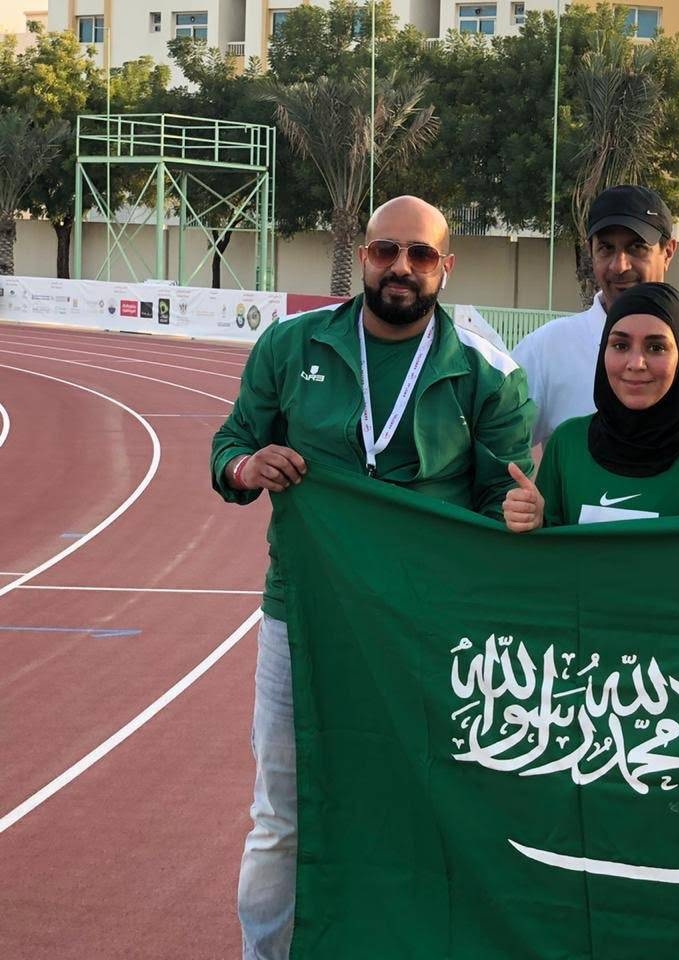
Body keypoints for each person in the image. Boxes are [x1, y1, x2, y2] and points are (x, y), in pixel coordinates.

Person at [209, 196, 534, 960]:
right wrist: (247, 466)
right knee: (282, 814)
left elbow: (500, 505)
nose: (401, 268)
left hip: (430, 629)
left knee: (424, 808)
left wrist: (521, 513)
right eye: (386, 250)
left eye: (421, 256)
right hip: (306, 615)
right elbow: (230, 445)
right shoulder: (291, 346)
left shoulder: (488, 377)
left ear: (445, 268)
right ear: (361, 256)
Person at [511, 185, 679, 506]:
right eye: (606, 249)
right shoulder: (545, 348)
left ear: (669, 251)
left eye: (637, 247)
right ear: (590, 252)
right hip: (582, 558)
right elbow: (501, 454)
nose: (619, 266)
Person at [503, 282, 679, 529]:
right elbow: (549, 550)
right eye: (620, 345)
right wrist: (534, 519)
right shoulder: (566, 444)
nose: (636, 363)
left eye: (656, 347)